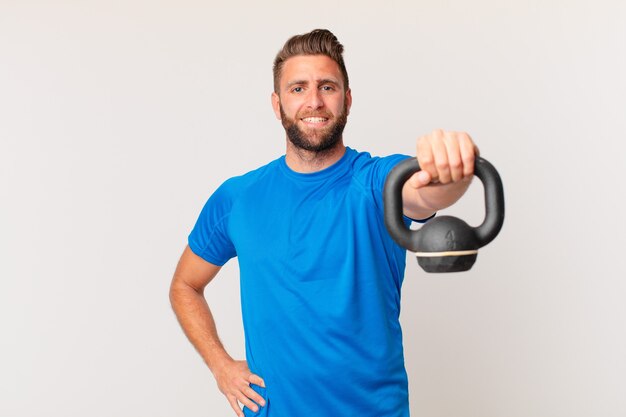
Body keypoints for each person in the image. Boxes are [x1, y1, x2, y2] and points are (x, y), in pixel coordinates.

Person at [170, 29, 477, 417]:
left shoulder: (376, 181)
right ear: (276, 102)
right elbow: (185, 285)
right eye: (297, 88)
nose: (313, 100)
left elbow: (427, 191)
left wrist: (454, 170)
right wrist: (221, 366)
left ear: (347, 100)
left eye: (327, 86)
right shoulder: (237, 197)